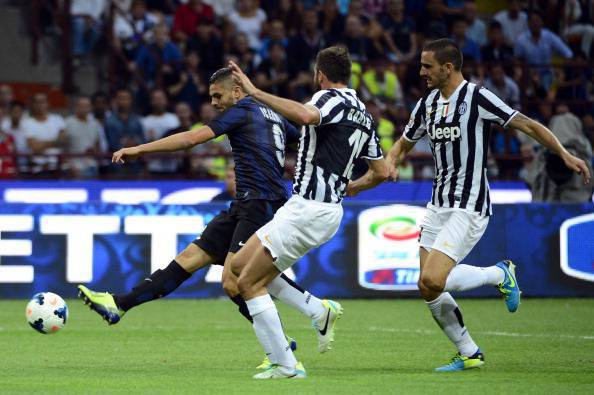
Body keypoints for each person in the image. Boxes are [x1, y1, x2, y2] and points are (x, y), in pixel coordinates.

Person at [77, 67, 337, 371]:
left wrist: (139, 149)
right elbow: (307, 140)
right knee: (191, 257)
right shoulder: (274, 114)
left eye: (218, 95)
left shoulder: (241, 111)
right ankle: (119, 304)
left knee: (234, 281)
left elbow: (192, 139)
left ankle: (290, 339)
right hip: (245, 204)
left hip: (261, 205)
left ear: (237, 91)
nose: (213, 102)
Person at [385, 38, 590, 372]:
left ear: (448, 68)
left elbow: (526, 123)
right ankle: (469, 352)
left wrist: (564, 154)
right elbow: (404, 142)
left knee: (435, 279)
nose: (421, 72)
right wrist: (392, 160)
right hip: (438, 204)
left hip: (469, 203)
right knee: (426, 285)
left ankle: (499, 273)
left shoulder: (477, 97)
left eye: (427, 66)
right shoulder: (427, 105)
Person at [228, 45, 391, 379]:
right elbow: (382, 171)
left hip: (308, 209)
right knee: (238, 267)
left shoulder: (328, 99)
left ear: (321, 75)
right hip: (320, 210)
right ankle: (318, 310)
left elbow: (303, 116)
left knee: (247, 283)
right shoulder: (365, 114)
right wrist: (352, 187)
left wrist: (255, 91)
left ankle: (285, 365)